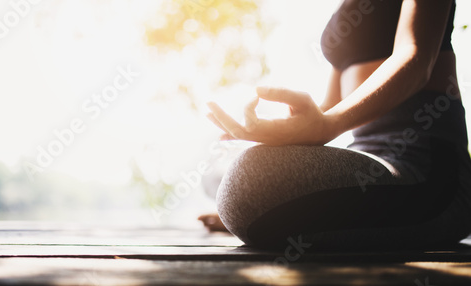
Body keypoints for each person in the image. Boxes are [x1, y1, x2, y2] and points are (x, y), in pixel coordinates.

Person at [198, 0, 471, 250]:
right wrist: (282, 133)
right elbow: (330, 105)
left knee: (248, 177)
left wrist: (328, 125)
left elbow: (416, 58)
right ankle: (259, 207)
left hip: (429, 171)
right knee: (220, 174)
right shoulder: (347, 10)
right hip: (367, 157)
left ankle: (257, 205)